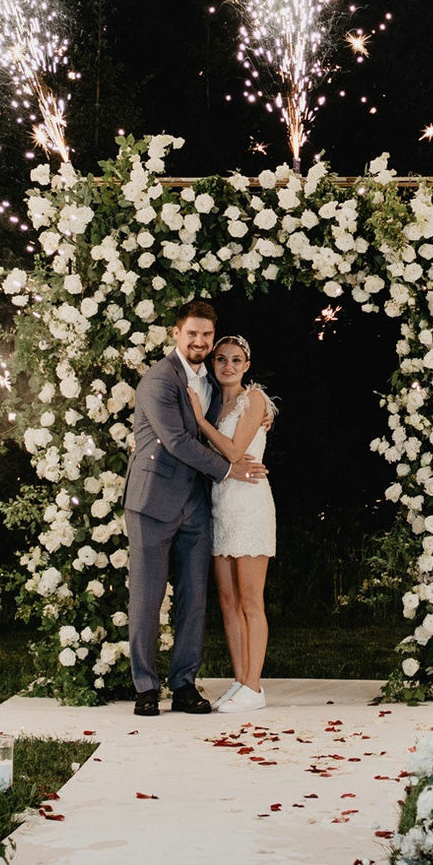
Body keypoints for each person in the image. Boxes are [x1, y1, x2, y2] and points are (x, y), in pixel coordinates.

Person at [121, 299, 267, 716]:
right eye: (193, 334)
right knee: (148, 598)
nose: (200, 342)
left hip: (196, 505)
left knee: (194, 599)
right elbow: (178, 442)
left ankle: (184, 683)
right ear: (176, 334)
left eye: (206, 335)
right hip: (152, 501)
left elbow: (229, 420)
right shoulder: (158, 380)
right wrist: (229, 470)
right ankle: (146, 687)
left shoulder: (209, 381)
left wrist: (260, 417)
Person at [188, 334, 275, 712]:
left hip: (250, 501)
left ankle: (255, 687)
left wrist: (197, 422)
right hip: (221, 503)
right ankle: (241, 682)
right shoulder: (214, 403)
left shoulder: (254, 399)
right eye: (221, 359)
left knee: (251, 601)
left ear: (247, 365)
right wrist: (202, 417)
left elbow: (235, 451)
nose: (227, 366)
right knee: (228, 601)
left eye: (236, 360)